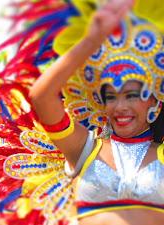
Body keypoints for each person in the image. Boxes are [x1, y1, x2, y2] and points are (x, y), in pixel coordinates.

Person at [27, 0, 164, 224]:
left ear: (154, 103)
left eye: (131, 95)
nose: (120, 107)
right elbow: (41, 97)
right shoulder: (85, 149)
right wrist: (92, 39)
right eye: (111, 97)